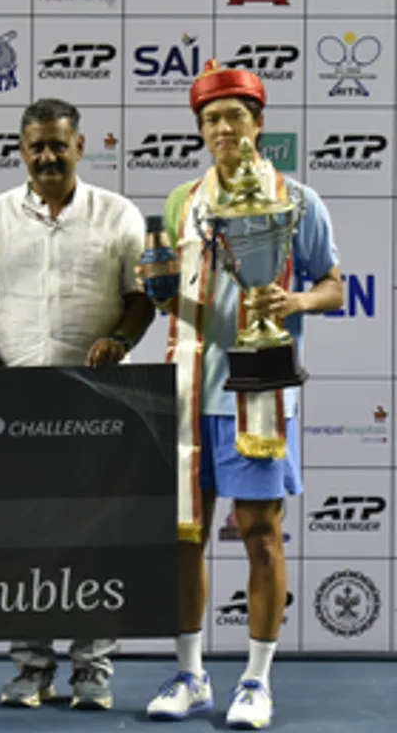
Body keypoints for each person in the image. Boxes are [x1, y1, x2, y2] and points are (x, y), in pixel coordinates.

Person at [143, 61, 343, 729]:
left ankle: (256, 682)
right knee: (184, 538)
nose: (223, 128)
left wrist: (298, 299)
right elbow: (170, 284)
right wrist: (159, 286)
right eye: (211, 119)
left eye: (234, 115)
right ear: (200, 130)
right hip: (188, 386)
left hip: (257, 388)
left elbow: (335, 284)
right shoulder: (182, 200)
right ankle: (190, 673)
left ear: (259, 122)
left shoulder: (298, 198)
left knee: (261, 535)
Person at [0, 98, 155, 712]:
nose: (47, 155)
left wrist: (121, 338)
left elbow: (142, 297)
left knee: (96, 540)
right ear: (21, 151)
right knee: (26, 539)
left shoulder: (118, 214)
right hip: (17, 406)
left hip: (100, 405)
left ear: (80, 146)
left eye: (57, 144)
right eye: (35, 146)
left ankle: (92, 670)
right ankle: (31, 668)